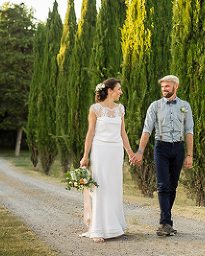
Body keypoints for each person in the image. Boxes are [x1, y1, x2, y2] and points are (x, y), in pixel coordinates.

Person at [131, 74, 194, 237]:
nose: (164, 89)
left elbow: (189, 131)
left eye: (167, 86)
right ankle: (165, 223)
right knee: (162, 186)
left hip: (178, 149)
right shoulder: (155, 106)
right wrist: (140, 152)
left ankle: (166, 222)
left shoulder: (185, 106)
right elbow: (147, 129)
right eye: (162, 87)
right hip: (161, 148)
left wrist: (189, 155)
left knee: (173, 187)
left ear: (176, 86)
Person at [80, 78, 136, 242]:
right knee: (101, 186)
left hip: (116, 151)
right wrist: (85, 155)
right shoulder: (95, 109)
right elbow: (90, 133)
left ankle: (115, 226)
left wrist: (130, 152)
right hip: (100, 151)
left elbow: (123, 133)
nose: (121, 92)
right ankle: (98, 230)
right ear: (110, 90)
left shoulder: (120, 109)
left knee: (114, 187)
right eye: (119, 89)